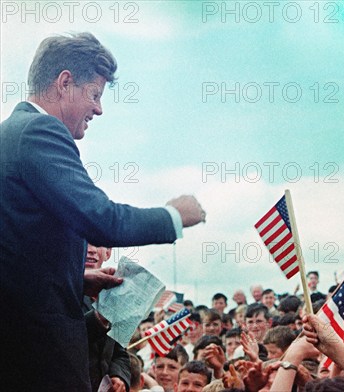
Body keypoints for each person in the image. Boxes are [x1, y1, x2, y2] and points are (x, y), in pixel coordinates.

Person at [0, 32, 205, 391]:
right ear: (65, 83)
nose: (98, 109)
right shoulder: (39, 130)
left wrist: (75, 280)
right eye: (94, 94)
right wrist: (173, 215)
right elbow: (101, 219)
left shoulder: (9, 135)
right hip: (39, 358)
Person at [83, 244, 130, 392]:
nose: (92, 250)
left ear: (108, 253)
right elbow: (60, 340)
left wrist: (119, 376)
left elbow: (120, 352)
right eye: (85, 242)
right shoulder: (56, 289)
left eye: (98, 244)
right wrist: (99, 318)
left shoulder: (113, 294)